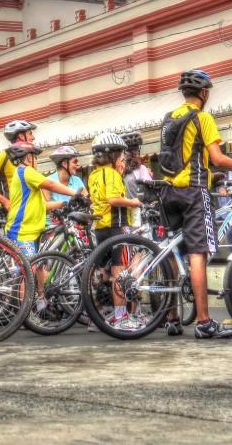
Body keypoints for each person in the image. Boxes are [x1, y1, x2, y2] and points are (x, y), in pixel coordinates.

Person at [160, 69, 232, 340]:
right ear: (203, 94)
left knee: (172, 252)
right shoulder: (202, 117)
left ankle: (172, 317)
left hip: (168, 192)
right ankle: (204, 321)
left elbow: (184, 156)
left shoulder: (170, 118)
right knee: (198, 254)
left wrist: (209, 174)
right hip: (193, 193)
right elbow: (217, 157)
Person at [87, 132, 142, 329]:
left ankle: (97, 316)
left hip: (100, 228)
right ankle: (121, 317)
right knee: (120, 273)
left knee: (104, 274)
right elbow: (113, 199)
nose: (122, 159)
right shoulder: (111, 174)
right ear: (112, 156)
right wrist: (133, 201)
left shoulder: (93, 174)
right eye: (120, 155)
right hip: (116, 227)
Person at [4, 143, 77, 258]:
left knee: (40, 270)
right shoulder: (26, 171)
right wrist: (75, 193)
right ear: (29, 157)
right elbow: (51, 184)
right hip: (22, 232)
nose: (37, 161)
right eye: (35, 157)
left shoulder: (22, 175)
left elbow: (42, 205)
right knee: (30, 270)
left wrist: (64, 203)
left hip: (33, 232)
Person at [0, 120, 38, 210]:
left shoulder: (32, 157)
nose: (33, 138)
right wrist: (4, 201)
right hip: (12, 211)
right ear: (21, 136)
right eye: (30, 134)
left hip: (31, 209)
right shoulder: (3, 156)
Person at [121, 132, 153, 225]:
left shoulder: (119, 170)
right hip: (139, 211)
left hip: (125, 212)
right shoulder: (141, 168)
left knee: (131, 237)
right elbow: (150, 190)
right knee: (139, 236)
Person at [43, 145, 86, 214]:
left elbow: (86, 200)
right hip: (54, 223)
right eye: (75, 162)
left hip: (75, 222)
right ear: (65, 164)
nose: (78, 165)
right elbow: (44, 207)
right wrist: (65, 205)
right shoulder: (48, 181)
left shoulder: (77, 180)